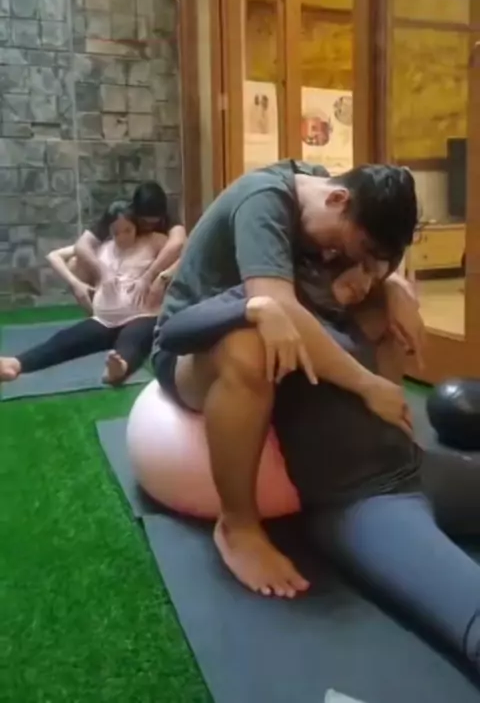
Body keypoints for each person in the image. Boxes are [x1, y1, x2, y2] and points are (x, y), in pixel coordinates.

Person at [152, 159, 424, 598]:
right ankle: (237, 527)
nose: (336, 257)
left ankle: (385, 453)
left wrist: (393, 289)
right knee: (250, 347)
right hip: (192, 348)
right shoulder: (264, 200)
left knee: (381, 307)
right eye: (351, 247)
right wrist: (367, 384)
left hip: (275, 322)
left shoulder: (324, 187)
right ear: (337, 200)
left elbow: (326, 290)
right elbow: (278, 306)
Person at [0, 201, 166, 386]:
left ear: (136, 226)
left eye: (128, 230)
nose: (123, 237)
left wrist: (157, 277)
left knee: (133, 339)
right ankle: (15, 364)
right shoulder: (102, 246)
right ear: (109, 230)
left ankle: (119, 368)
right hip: (104, 320)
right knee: (67, 339)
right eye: (117, 232)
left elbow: (179, 250)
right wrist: (76, 283)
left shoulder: (152, 241)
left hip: (139, 315)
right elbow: (54, 256)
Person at [72, 182, 186, 310]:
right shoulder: (121, 213)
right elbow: (81, 246)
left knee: (177, 259)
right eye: (144, 222)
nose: (149, 227)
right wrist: (102, 272)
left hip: (153, 265)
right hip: (123, 265)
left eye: (154, 223)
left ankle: (156, 312)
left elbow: (178, 243)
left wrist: (151, 276)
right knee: (75, 264)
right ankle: (97, 312)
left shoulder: (165, 212)